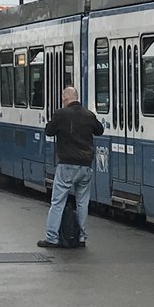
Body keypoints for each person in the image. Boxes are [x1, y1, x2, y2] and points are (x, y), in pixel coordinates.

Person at [38, 86, 104, 249]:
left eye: (63, 99)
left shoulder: (61, 114)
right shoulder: (88, 114)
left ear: (66, 99)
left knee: (58, 201)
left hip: (66, 165)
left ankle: (52, 238)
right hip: (85, 166)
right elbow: (99, 131)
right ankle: (81, 238)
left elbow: (49, 131)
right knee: (82, 202)